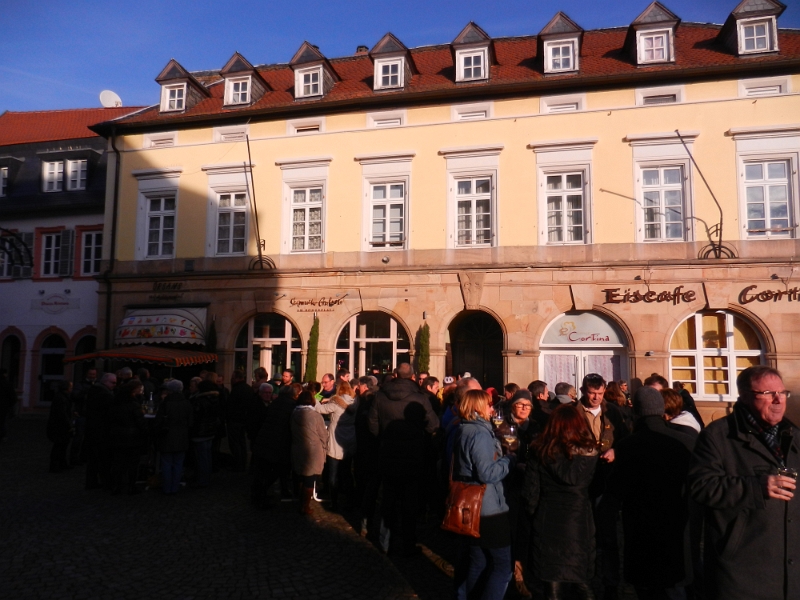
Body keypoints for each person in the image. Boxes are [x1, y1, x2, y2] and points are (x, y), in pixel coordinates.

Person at [688, 366, 799, 600]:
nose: (778, 400)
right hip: (742, 572)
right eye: (768, 393)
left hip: (790, 570)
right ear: (746, 397)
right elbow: (700, 486)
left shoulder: (792, 434)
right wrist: (756, 487)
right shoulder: (718, 436)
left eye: (782, 393)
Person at [606, 386, 697, 600]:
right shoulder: (685, 442)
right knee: (675, 586)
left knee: (647, 587)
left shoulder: (628, 445)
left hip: (640, 528)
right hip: (676, 525)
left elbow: (615, 491)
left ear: (636, 411)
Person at [522, 403, 598, 600]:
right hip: (579, 520)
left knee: (552, 583)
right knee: (581, 578)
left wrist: (533, 515)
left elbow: (530, 492)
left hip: (548, 518)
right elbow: (597, 488)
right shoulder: (590, 454)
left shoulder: (540, 451)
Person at [368, 362, 439, 556]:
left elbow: (372, 425)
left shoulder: (380, 396)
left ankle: (385, 542)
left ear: (396, 375)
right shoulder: (420, 398)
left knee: (388, 499)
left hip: (388, 453)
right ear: (413, 377)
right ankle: (408, 542)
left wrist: (384, 438)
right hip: (413, 455)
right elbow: (433, 425)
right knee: (410, 501)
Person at [452, 389, 515, 600]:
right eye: (488, 405)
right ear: (478, 407)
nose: (492, 409)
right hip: (488, 508)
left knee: (478, 562)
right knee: (502, 566)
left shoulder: (464, 428)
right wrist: (509, 460)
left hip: (474, 505)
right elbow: (487, 472)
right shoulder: (478, 433)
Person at [578, 373, 626, 599]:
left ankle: (610, 582)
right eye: (591, 393)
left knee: (608, 537)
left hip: (606, 482)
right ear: (583, 390)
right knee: (581, 536)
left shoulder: (613, 413)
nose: (596, 397)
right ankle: (582, 580)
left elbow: (626, 441)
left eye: (600, 393)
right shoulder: (572, 414)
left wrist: (616, 450)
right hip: (580, 482)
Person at [496, 389, 539, 598]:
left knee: (526, 530)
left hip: (530, 484)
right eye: (520, 405)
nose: (524, 409)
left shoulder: (536, 428)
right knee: (512, 530)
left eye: (527, 406)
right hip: (508, 484)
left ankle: (522, 572)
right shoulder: (502, 426)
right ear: (512, 406)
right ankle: (512, 574)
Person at [251, 381, 297, 508]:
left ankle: (260, 494)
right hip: (278, 443)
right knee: (275, 470)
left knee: (264, 471)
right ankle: (260, 497)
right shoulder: (292, 406)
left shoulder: (274, 403)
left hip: (265, 441)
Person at [316, 380, 357, 509]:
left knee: (333, 473)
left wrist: (314, 398)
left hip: (336, 440)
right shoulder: (356, 402)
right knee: (347, 472)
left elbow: (321, 409)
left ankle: (334, 501)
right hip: (350, 439)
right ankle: (350, 499)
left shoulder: (335, 402)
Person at [107, 379, 146, 495]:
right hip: (132, 438)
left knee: (118, 463)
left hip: (117, 437)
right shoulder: (134, 405)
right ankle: (131, 486)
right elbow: (141, 423)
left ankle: (117, 486)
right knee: (132, 464)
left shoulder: (115, 404)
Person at [291, 390, 328, 515]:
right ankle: (305, 506)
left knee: (301, 476)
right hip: (313, 450)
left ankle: (301, 502)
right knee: (310, 479)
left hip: (297, 448)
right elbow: (323, 435)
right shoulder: (315, 415)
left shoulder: (293, 414)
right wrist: (325, 448)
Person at [156, 379, 193, 495]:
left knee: (167, 463)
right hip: (182, 437)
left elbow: (158, 421)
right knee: (178, 463)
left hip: (167, 437)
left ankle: (167, 487)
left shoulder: (165, 403)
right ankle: (175, 487)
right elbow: (191, 422)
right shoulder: (187, 403)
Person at [84, 372, 115, 490]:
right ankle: (105, 482)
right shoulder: (105, 394)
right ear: (105, 381)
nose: (114, 385)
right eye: (113, 382)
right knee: (102, 459)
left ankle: (91, 482)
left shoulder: (94, 391)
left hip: (93, 429)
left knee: (93, 459)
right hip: (101, 431)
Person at [190, 379, 220, 488]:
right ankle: (206, 477)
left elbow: (196, 416)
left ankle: (203, 479)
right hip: (210, 431)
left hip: (200, 432)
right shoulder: (215, 399)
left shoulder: (200, 400)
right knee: (207, 455)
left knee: (202, 456)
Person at [226, 370, 252, 472]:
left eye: (233, 378)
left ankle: (238, 464)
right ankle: (242, 462)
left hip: (235, 420)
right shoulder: (247, 388)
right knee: (241, 443)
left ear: (237, 378)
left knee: (235, 443)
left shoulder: (237, 389)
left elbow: (231, 405)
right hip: (243, 420)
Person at [69, 367, 96, 466]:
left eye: (94, 375)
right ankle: (74, 458)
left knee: (87, 438)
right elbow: (75, 396)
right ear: (86, 375)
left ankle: (83, 457)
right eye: (91, 374)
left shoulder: (95, 384)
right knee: (78, 438)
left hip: (90, 414)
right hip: (82, 414)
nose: (92, 376)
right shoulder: (80, 384)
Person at [47, 380, 74, 473]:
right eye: (71, 387)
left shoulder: (61, 397)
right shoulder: (61, 398)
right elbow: (62, 414)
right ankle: (55, 466)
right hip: (60, 427)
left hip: (59, 426)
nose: (72, 388)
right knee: (59, 446)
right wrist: (69, 425)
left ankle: (61, 464)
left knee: (62, 446)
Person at [0, 368, 17, 443]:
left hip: (4, 405)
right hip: (4, 406)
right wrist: (10, 405)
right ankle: (3, 436)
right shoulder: (8, 384)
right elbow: (13, 397)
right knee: (3, 422)